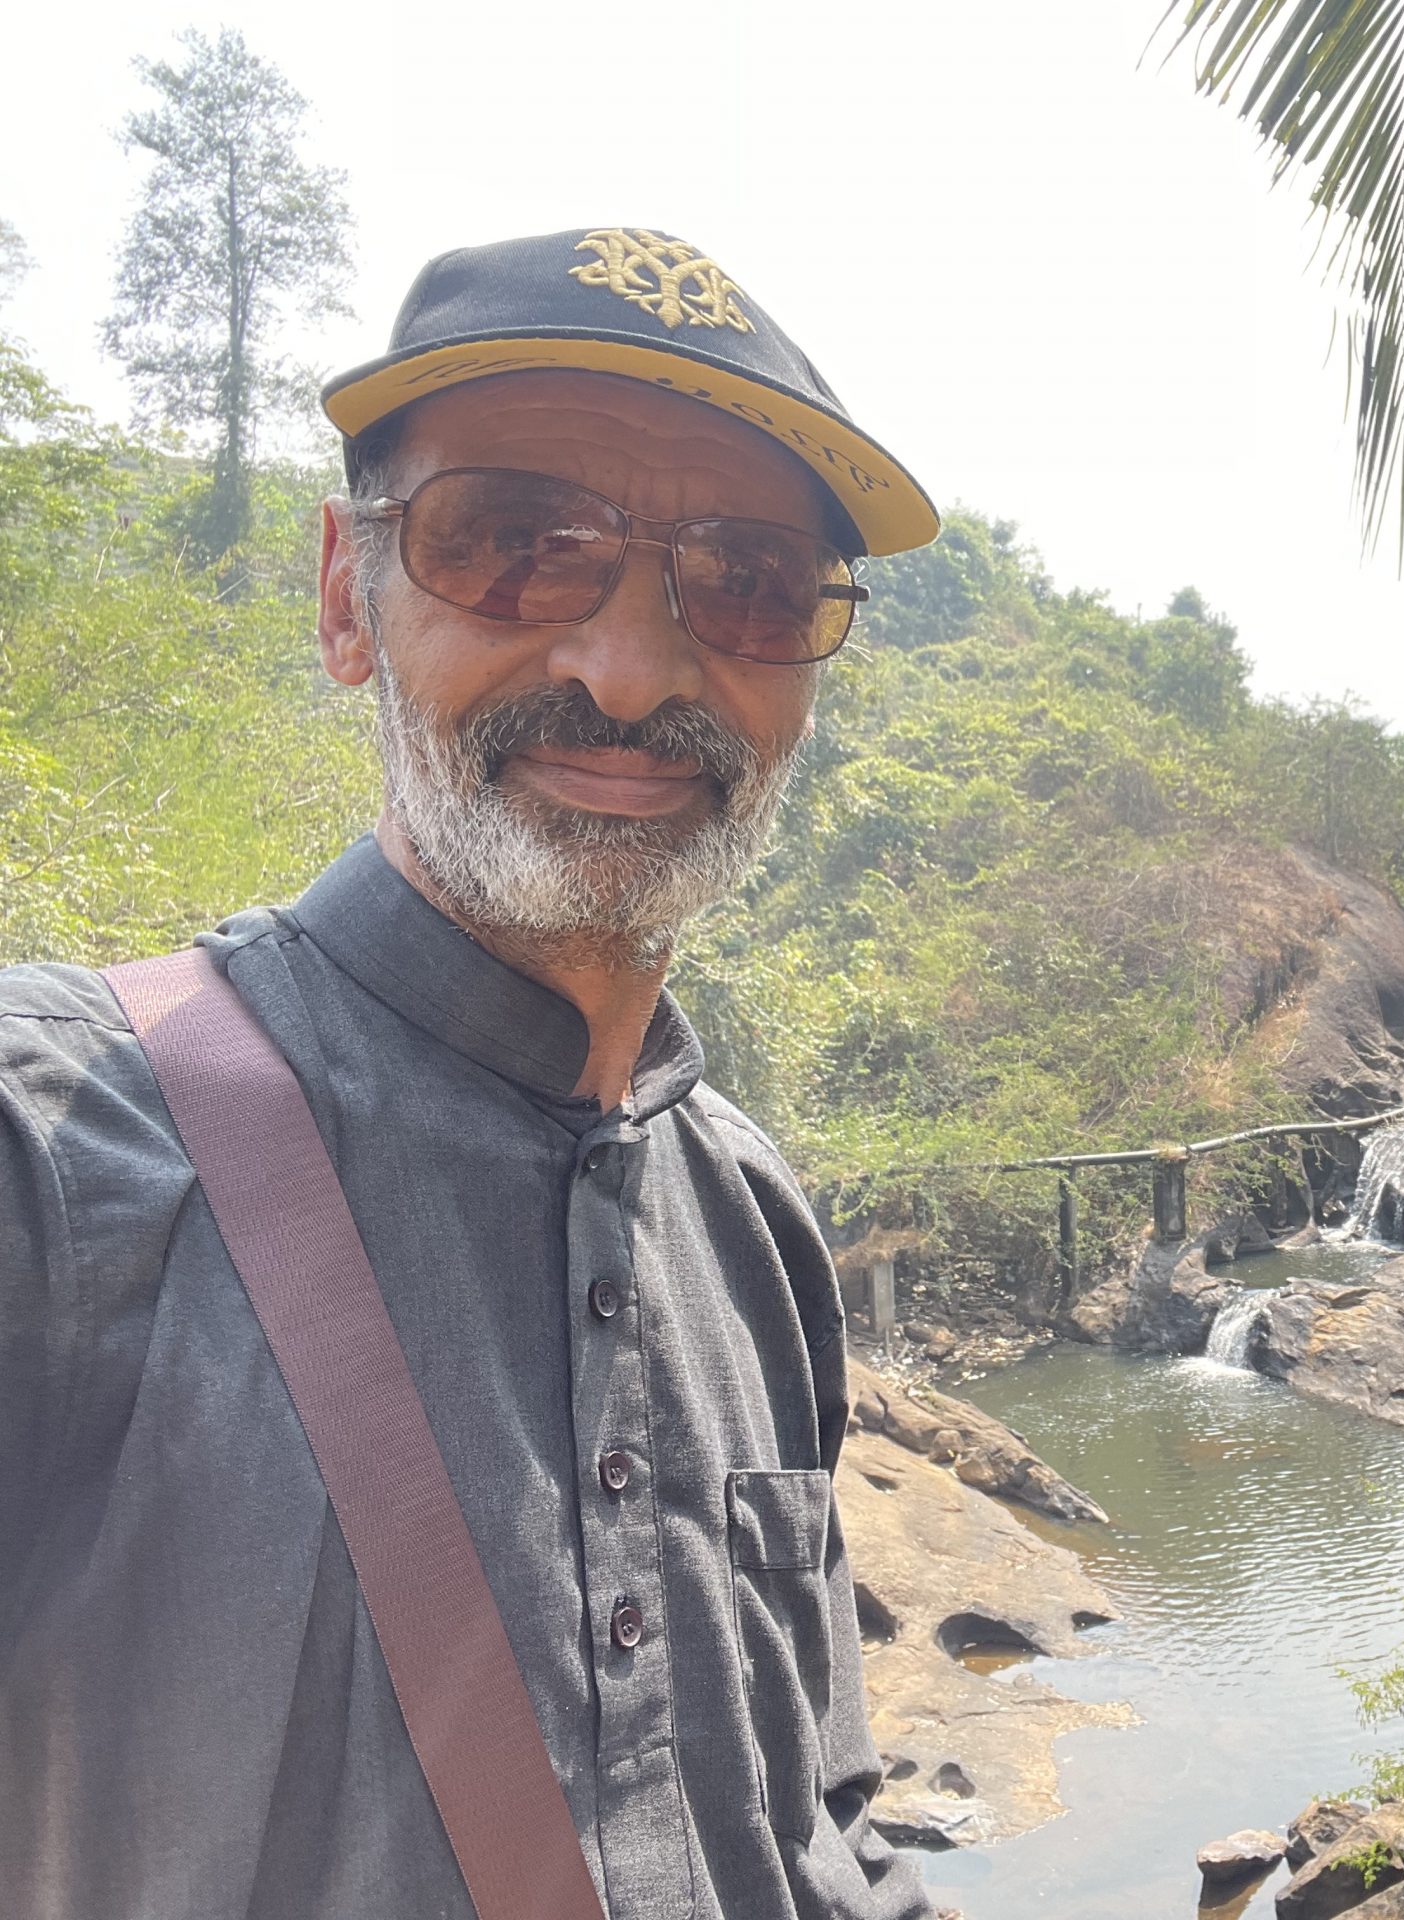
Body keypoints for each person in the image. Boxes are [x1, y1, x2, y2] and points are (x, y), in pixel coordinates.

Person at [0, 227, 945, 1918]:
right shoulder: (62, 1155)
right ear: (345, 599)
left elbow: (820, 1820)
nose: (630, 671)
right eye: (514, 545)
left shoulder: (754, 1223)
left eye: (748, 581)